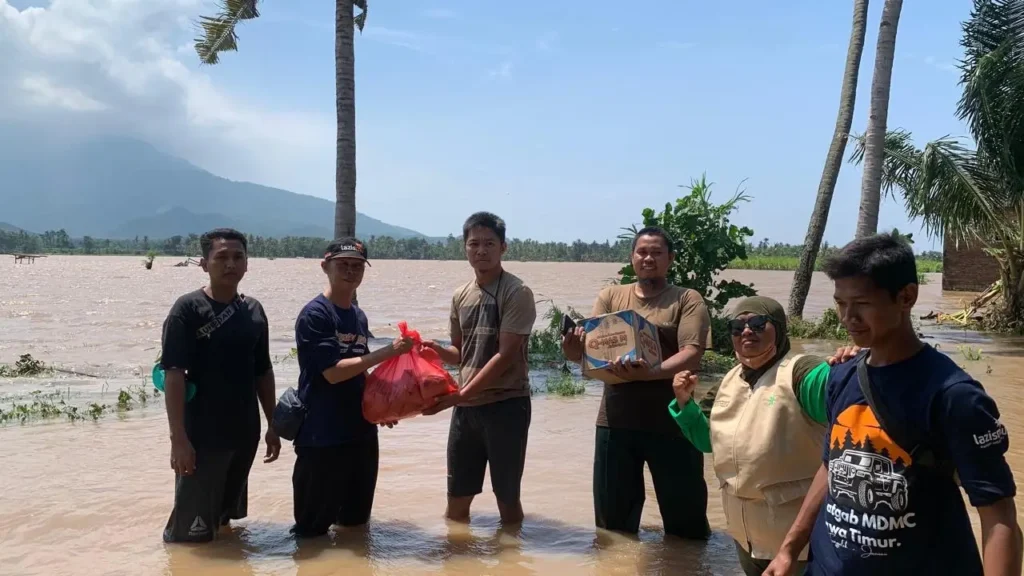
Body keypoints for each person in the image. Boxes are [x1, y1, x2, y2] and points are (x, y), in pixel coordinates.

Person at [765, 232, 1022, 576]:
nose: (848, 317)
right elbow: (831, 467)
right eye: (841, 303)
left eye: (863, 304)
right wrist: (788, 549)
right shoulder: (843, 376)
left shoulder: (953, 395)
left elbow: (998, 515)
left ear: (906, 297)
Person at [670, 296, 859, 575]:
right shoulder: (729, 381)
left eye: (758, 323)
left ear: (780, 329)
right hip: (746, 537)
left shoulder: (801, 372)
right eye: (738, 327)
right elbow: (707, 442)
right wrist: (685, 403)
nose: (747, 331)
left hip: (799, 544)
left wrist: (853, 368)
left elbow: (842, 397)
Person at [560, 226, 712, 539]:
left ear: (670, 259)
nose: (649, 258)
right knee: (612, 532)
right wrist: (574, 351)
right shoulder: (611, 296)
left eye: (657, 252)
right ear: (632, 258)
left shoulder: (687, 299)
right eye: (642, 252)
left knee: (687, 530)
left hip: (673, 423)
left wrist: (649, 372)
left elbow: (692, 354)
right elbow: (593, 353)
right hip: (616, 422)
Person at [159, 228, 281, 543]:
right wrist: (179, 439)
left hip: (244, 433)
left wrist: (273, 424)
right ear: (204, 263)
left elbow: (263, 372)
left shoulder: (253, 310)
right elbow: (173, 375)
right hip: (202, 435)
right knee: (189, 538)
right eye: (221, 257)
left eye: (238, 257)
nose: (230, 264)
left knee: (223, 525)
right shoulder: (186, 310)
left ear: (247, 263)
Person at [289, 238, 413, 538]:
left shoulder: (357, 316)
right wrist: (389, 352)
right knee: (312, 533)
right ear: (325, 266)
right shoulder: (316, 315)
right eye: (342, 264)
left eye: (357, 266)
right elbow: (332, 373)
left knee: (355, 527)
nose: (350, 271)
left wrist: (381, 405)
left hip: (360, 434)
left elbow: (359, 369)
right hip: (322, 437)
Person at [421, 212, 537, 525]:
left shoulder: (516, 292)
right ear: (465, 249)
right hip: (466, 410)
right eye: (474, 244)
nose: (481, 250)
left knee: (507, 498)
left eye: (489, 243)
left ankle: (512, 561)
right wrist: (435, 350)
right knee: (456, 498)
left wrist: (459, 396)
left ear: (504, 247)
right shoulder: (461, 295)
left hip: (506, 405)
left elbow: (506, 355)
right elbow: (460, 353)